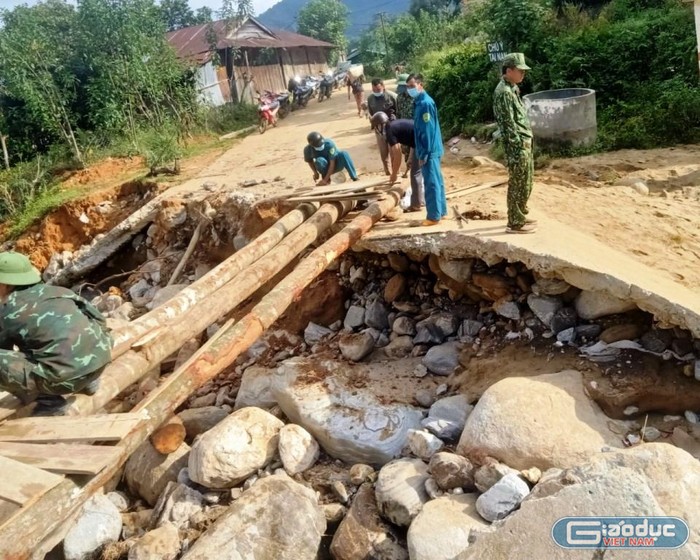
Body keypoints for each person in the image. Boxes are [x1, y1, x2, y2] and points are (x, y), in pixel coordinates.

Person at [0, 252, 113, 415]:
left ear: (5, 284)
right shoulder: (60, 291)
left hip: (65, 379)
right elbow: (100, 320)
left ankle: (49, 401)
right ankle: (89, 381)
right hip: (100, 362)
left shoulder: (6, 311)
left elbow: (5, 352)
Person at [493, 52, 537, 234]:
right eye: (520, 71)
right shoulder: (503, 92)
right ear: (509, 70)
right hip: (517, 145)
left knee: (527, 181)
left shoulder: (512, 88)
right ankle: (515, 222)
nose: (523, 74)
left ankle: (521, 214)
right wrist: (517, 147)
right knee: (517, 183)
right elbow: (508, 124)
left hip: (525, 141)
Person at [407, 73, 447, 226]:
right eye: (408, 87)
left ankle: (433, 216)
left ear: (420, 85)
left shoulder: (425, 104)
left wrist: (424, 153)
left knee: (431, 182)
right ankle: (441, 211)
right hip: (430, 149)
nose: (410, 89)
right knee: (437, 180)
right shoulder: (419, 102)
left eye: (412, 86)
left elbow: (428, 131)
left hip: (429, 150)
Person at [370, 111, 424, 212]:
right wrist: (410, 159)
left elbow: (397, 155)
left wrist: (394, 174)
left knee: (415, 174)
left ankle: (416, 204)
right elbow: (413, 140)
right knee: (420, 172)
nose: (376, 131)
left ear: (379, 125)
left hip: (423, 141)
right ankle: (422, 199)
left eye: (376, 128)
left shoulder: (389, 131)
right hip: (421, 140)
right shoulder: (393, 126)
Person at [367, 78, 398, 175]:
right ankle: (387, 172)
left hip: (391, 127)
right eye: (374, 90)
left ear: (383, 86)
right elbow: (370, 113)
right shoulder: (370, 99)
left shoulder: (392, 96)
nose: (376, 92)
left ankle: (395, 172)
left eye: (378, 89)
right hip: (378, 129)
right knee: (383, 152)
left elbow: (398, 110)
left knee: (393, 151)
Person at [395, 73, 414, 178]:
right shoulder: (399, 98)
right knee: (406, 152)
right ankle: (410, 172)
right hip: (404, 131)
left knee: (415, 154)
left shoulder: (415, 97)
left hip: (414, 130)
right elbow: (398, 114)